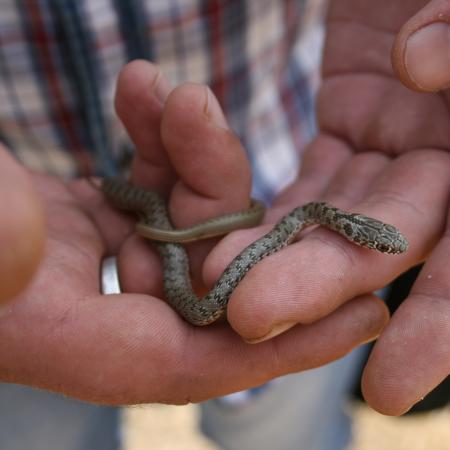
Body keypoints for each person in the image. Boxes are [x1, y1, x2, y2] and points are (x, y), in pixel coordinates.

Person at [0, 0, 448, 449]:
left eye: (381, 243)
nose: (382, 246)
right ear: (352, 229)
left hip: (282, 142)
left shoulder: (313, 213)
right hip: (24, 223)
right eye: (380, 242)